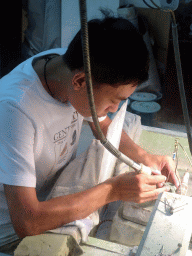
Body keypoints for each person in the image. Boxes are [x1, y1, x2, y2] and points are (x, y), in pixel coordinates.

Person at [0, 11, 178, 254]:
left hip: (51, 195)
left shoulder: (69, 65)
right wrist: (113, 190)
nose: (114, 110)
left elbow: (102, 124)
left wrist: (146, 158)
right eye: (113, 101)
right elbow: (27, 221)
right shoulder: (15, 110)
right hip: (12, 229)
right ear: (80, 82)